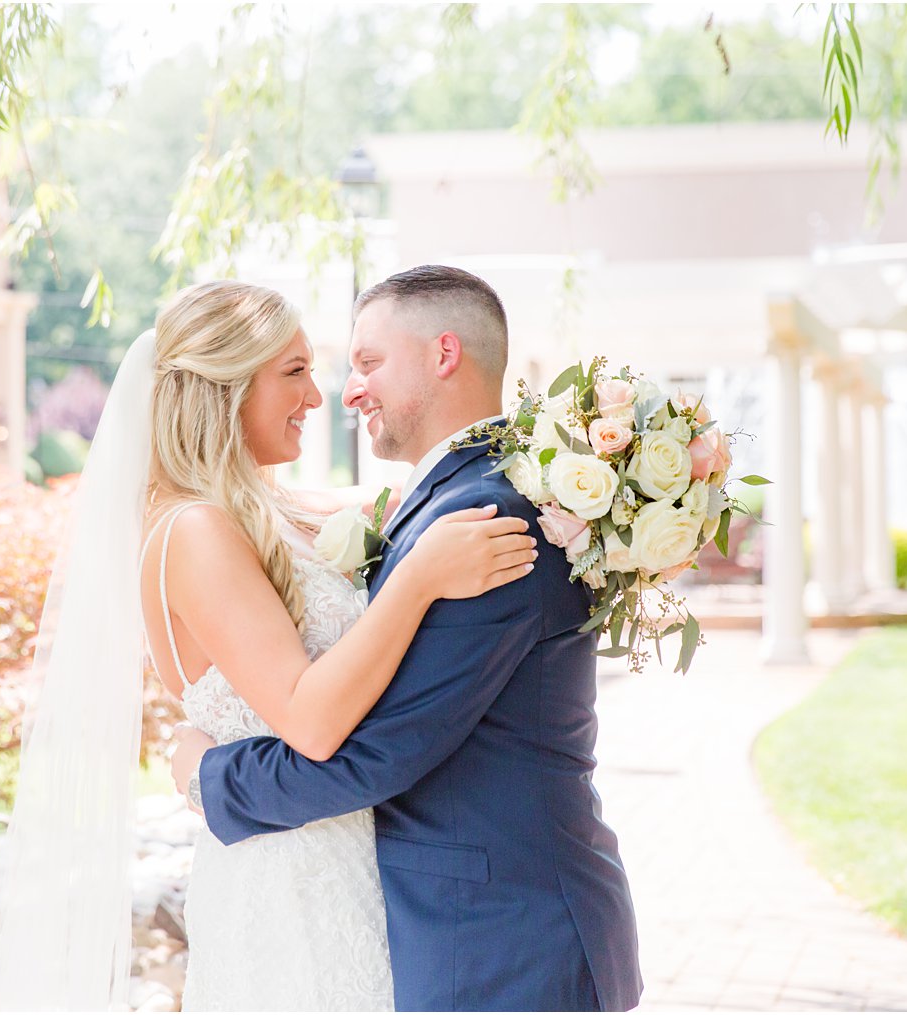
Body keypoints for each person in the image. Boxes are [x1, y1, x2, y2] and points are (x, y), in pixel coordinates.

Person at [0, 279, 537, 1010]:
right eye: (294, 373)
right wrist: (418, 580)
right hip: (289, 887)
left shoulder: (274, 509)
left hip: (354, 863)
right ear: (226, 386)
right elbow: (308, 718)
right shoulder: (194, 530)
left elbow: (424, 492)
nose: (319, 396)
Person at [172, 265, 644, 1011]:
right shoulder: (451, 501)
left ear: (443, 354)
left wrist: (209, 776)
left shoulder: (489, 520)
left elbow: (379, 749)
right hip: (463, 928)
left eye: (367, 363)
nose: (346, 391)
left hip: (506, 945)